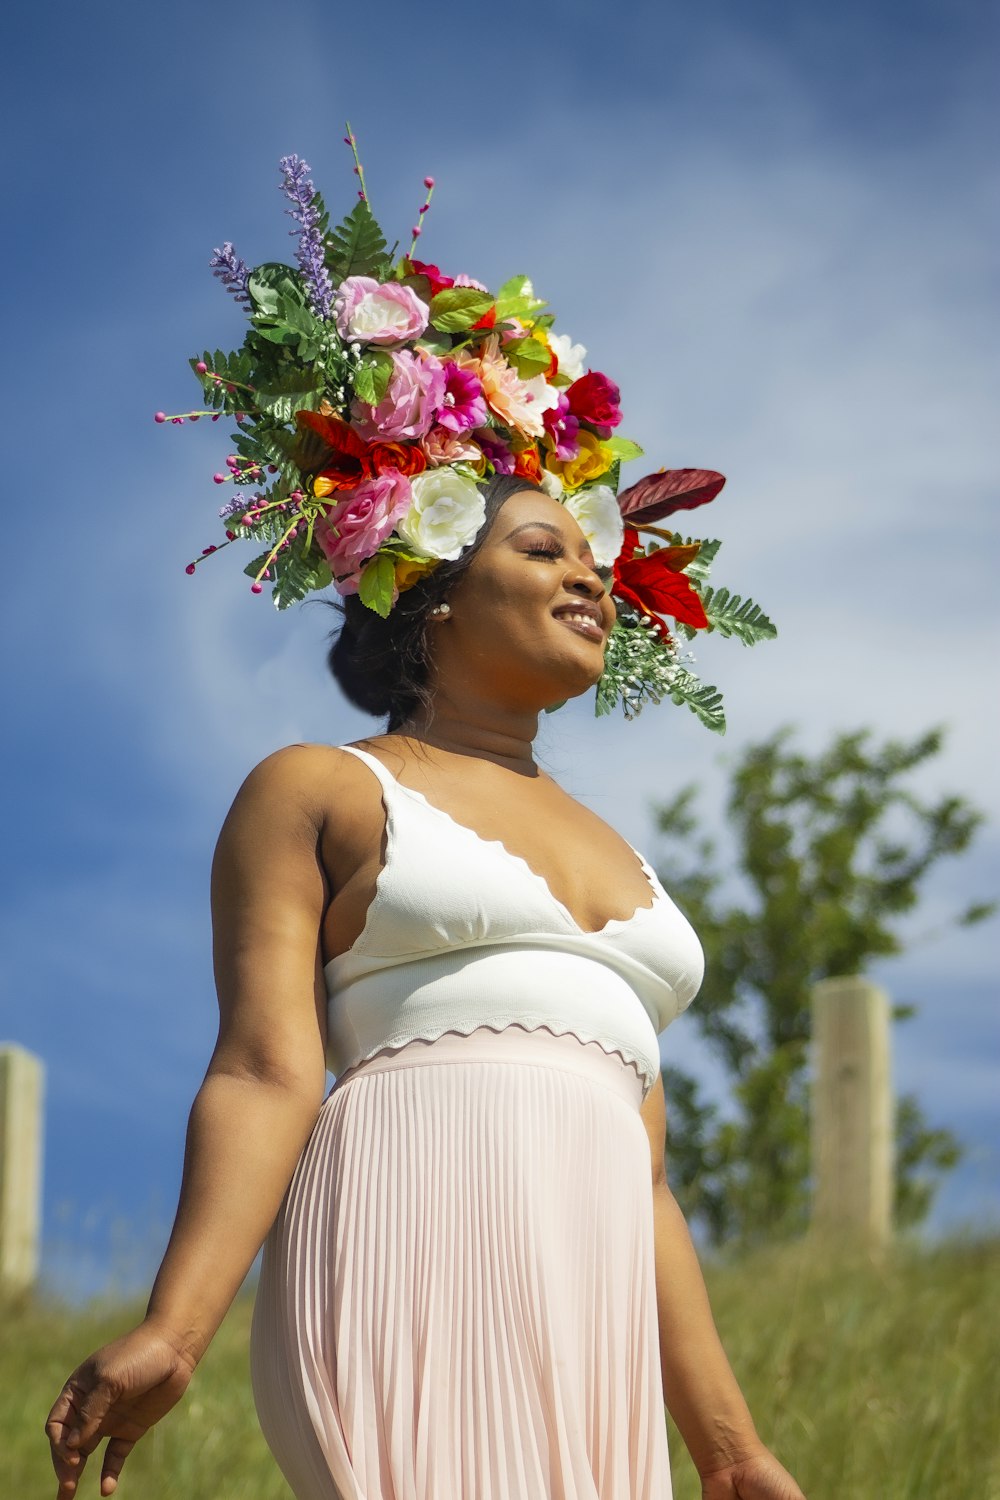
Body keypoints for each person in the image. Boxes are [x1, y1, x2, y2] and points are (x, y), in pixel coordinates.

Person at [46, 152, 802, 1498]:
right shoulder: (322, 789)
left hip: (595, 1299)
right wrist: (176, 1326)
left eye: (595, 557)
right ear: (433, 598)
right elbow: (264, 1073)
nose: (592, 574)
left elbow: (648, 1186)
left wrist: (731, 1452)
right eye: (541, 550)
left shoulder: (626, 861)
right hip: (413, 1227)